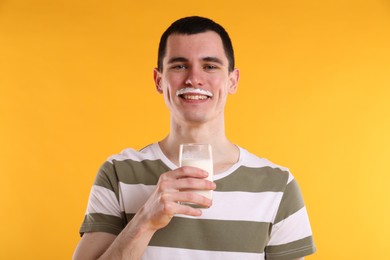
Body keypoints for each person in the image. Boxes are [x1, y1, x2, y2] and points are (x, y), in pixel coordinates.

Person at [73, 16, 316, 260]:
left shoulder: (278, 186)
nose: (194, 78)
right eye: (179, 66)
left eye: (210, 66)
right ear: (159, 81)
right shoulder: (118, 173)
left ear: (233, 81)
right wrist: (145, 220)